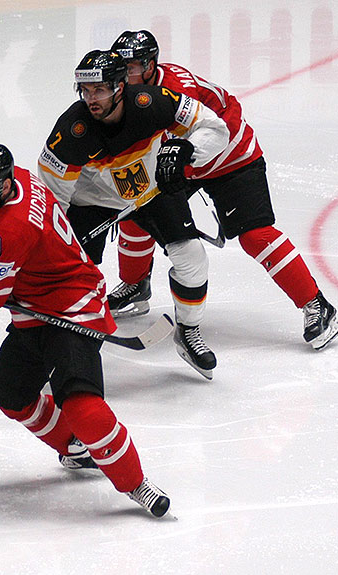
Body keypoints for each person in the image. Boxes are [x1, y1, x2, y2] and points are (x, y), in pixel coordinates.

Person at [0, 143, 170, 517]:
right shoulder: (23, 180)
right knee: (9, 392)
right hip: (34, 304)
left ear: (5, 186)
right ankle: (74, 447)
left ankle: (136, 483)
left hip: (73, 307)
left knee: (81, 405)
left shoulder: (6, 231)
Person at [104, 29, 338, 351]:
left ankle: (317, 305)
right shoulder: (125, 95)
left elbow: (215, 130)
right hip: (183, 163)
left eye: (130, 68)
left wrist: (182, 155)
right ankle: (135, 284)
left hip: (232, 158)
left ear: (149, 65)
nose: (124, 76)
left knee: (256, 236)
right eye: (121, 68)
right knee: (137, 212)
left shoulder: (177, 88)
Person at [37, 49, 230, 379]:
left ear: (120, 87)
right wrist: (57, 243)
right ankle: (62, 345)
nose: (90, 98)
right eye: (85, 91)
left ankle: (187, 330)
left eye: (98, 90)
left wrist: (187, 149)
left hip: (152, 191)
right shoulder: (72, 131)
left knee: (192, 258)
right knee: (68, 272)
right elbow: (51, 199)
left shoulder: (153, 102)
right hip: (91, 202)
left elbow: (214, 127)